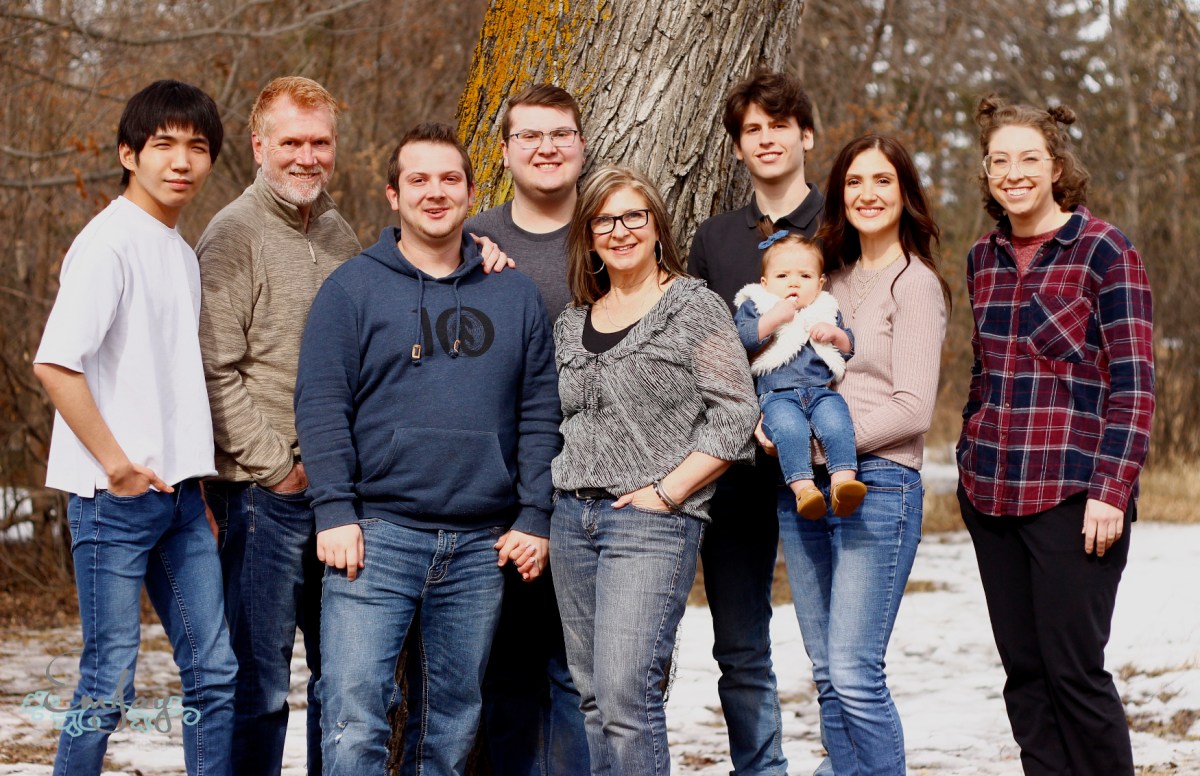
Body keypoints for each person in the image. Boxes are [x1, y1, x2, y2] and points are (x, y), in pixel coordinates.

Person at [295, 122, 561, 776]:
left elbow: (539, 411)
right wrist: (334, 511)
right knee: (354, 720)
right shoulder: (352, 289)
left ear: (471, 192)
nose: (434, 192)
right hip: (375, 537)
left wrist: (534, 514)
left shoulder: (514, 293)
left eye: (449, 179)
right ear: (394, 194)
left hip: (479, 545)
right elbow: (322, 405)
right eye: (418, 179)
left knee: (449, 728)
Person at [32, 79, 236, 776]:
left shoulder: (178, 249)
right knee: (108, 682)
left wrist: (195, 481)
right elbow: (56, 364)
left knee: (214, 672)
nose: (181, 161)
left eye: (197, 147)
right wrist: (117, 465)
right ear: (129, 154)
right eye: (163, 145)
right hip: (113, 499)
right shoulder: (109, 244)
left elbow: (169, 383)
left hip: (181, 502)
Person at [957, 96, 1154, 776]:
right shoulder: (982, 259)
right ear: (987, 173)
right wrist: (967, 454)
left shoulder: (1104, 251)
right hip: (991, 495)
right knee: (1026, 677)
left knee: (1074, 674)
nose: (1013, 173)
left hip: (1075, 497)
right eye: (999, 161)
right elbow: (983, 372)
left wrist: (1112, 489)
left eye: (1028, 159)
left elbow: (1134, 383)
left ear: (1056, 167)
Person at [551, 165, 760, 775]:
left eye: (633, 217)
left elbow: (736, 411)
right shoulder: (571, 321)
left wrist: (668, 492)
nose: (619, 231)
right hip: (571, 519)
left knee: (626, 700)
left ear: (657, 226)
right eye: (604, 221)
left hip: (651, 523)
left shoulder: (693, 307)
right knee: (593, 699)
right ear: (589, 237)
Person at [196, 75, 361, 776]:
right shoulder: (233, 234)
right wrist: (276, 467)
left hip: (338, 496)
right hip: (263, 497)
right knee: (258, 687)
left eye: (319, 141)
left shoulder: (338, 231)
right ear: (259, 146)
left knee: (341, 683)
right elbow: (212, 368)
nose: (306, 156)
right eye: (291, 142)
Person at [774, 134, 949, 776]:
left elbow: (912, 410)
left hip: (878, 485)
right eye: (853, 182)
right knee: (826, 673)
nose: (867, 194)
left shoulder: (916, 284)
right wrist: (773, 423)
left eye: (882, 181)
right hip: (805, 488)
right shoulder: (825, 282)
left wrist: (821, 445)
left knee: (853, 671)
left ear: (905, 193)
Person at [686, 70, 823, 775]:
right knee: (741, 648)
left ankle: (847, 764)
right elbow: (700, 347)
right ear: (738, 148)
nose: (766, 139)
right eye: (752, 130)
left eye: (779, 125)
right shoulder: (714, 239)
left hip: (822, 462)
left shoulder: (843, 223)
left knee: (837, 649)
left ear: (806, 135)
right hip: (736, 465)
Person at [464, 82, 590, 775]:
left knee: (578, 677)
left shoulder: (612, 230)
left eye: (560, 134)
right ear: (506, 150)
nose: (546, 148)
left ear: (582, 144)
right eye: (530, 136)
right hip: (499, 494)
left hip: (594, 489)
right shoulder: (468, 240)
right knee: (506, 675)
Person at [732, 232, 865, 520]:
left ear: (820, 283)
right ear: (765, 283)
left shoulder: (825, 308)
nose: (793, 283)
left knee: (837, 422)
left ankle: (843, 483)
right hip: (777, 395)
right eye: (782, 276)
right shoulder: (757, 305)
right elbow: (740, 340)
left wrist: (835, 334)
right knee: (790, 431)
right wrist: (773, 319)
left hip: (821, 391)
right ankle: (804, 489)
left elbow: (848, 347)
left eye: (805, 276)